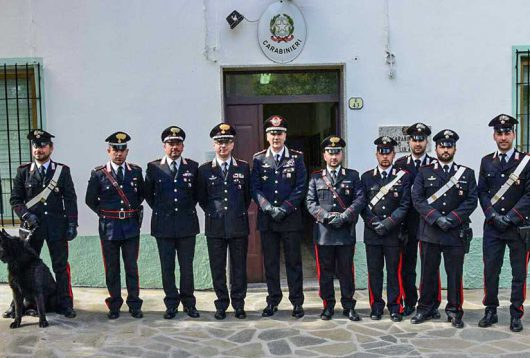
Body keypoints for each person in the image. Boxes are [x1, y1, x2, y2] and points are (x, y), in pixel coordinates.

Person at [410, 129, 477, 328]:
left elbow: (471, 200)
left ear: (455, 149)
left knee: (454, 274)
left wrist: (454, 218)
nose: (445, 150)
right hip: (430, 231)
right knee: (428, 273)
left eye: (449, 146)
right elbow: (418, 199)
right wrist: (437, 218)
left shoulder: (466, 173)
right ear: (436, 148)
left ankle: (454, 310)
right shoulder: (424, 172)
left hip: (455, 232)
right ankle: (425, 308)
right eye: (442, 146)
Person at [9, 129, 78, 318]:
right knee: (22, 268)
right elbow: (15, 199)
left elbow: (70, 199)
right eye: (35, 146)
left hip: (56, 227)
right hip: (31, 229)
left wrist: (72, 224)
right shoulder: (23, 172)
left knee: (60, 267)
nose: (38, 149)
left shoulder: (62, 171)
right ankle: (18, 305)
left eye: (42, 145)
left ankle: (65, 303)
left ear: (51, 148)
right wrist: (26, 215)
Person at [250, 115, 307, 318]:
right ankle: (273, 300)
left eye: (280, 133)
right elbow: (254, 188)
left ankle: (297, 302)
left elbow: (301, 186)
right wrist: (267, 207)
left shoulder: (297, 157)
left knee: (293, 262)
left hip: (290, 219)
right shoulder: (258, 159)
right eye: (272, 133)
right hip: (268, 220)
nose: (276, 137)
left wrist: (285, 207)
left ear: (285, 135)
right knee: (271, 263)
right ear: (267, 136)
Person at [478, 114, 530, 332]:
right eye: (499, 133)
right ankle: (490, 309)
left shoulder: (525, 161)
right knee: (491, 270)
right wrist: (492, 215)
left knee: (518, 273)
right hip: (493, 228)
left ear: (514, 134)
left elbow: (529, 194)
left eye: (507, 132)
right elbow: (482, 192)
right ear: (494, 136)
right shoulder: (487, 161)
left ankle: (516, 312)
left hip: (518, 227)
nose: (503, 137)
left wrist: (510, 217)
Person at [85, 132, 144, 319]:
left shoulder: (136, 172)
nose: (118, 154)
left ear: (127, 151)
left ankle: (134, 304)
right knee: (112, 269)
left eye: (122, 150)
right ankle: (115, 304)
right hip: (109, 228)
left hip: (130, 227)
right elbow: (90, 199)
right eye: (114, 150)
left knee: (131, 267)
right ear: (108, 151)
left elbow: (141, 194)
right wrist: (106, 214)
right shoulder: (99, 174)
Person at [306, 135, 366, 321]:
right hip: (324, 233)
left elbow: (359, 199)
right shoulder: (316, 177)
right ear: (324, 155)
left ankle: (349, 306)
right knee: (325, 272)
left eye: (337, 152)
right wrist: (325, 216)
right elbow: (310, 202)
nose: (334, 156)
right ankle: (328, 306)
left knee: (346, 271)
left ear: (342, 155)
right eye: (330, 153)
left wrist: (345, 216)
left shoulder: (353, 175)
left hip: (345, 232)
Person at [144, 126, 200, 319]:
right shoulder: (154, 167)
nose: (174, 147)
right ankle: (171, 304)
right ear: (164, 146)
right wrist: (164, 210)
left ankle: (189, 303)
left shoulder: (193, 167)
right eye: (170, 144)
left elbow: (196, 195)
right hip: (163, 225)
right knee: (167, 267)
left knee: (186, 267)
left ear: (182, 146)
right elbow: (149, 195)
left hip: (186, 225)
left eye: (177, 144)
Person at [197, 123, 251, 320]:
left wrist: (234, 213)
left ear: (233, 144)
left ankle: (238, 304)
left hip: (238, 225)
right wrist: (215, 213)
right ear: (214, 145)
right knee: (217, 268)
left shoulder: (243, 167)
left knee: (239, 268)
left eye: (226, 142)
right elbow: (202, 198)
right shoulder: (204, 171)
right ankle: (221, 304)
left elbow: (247, 197)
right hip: (215, 226)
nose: (223, 146)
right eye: (219, 142)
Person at [361, 136, 411, 321]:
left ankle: (395, 306)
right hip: (372, 233)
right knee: (374, 271)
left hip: (393, 233)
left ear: (394, 154)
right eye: (381, 152)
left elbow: (405, 205)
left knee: (394, 271)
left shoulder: (403, 177)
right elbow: (362, 204)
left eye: (388, 152)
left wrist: (388, 223)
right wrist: (375, 223)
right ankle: (376, 306)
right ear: (376, 154)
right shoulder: (366, 177)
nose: (385, 156)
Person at [394, 122, 439, 316]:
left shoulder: (435, 165)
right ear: (409, 141)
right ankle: (410, 301)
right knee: (408, 266)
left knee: (431, 265)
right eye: (414, 139)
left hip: (429, 221)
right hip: (408, 222)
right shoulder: (400, 164)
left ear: (426, 141)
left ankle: (432, 303)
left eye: (421, 139)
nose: (418, 143)